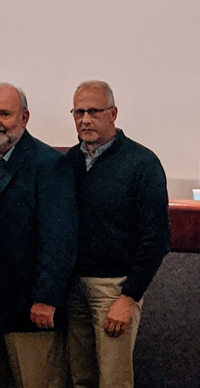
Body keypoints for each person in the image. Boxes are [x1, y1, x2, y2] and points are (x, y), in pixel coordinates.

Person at [65, 80, 170, 388]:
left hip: (115, 290)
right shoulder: (69, 162)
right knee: (80, 379)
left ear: (113, 113)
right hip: (73, 289)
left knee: (113, 381)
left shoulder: (142, 163)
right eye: (78, 112)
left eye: (94, 111)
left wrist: (129, 297)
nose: (85, 119)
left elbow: (157, 237)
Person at [0, 83, 78, 388]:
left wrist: (46, 297)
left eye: (4, 113)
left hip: (29, 310)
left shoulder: (49, 164)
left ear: (25, 117)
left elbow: (59, 238)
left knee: (36, 381)